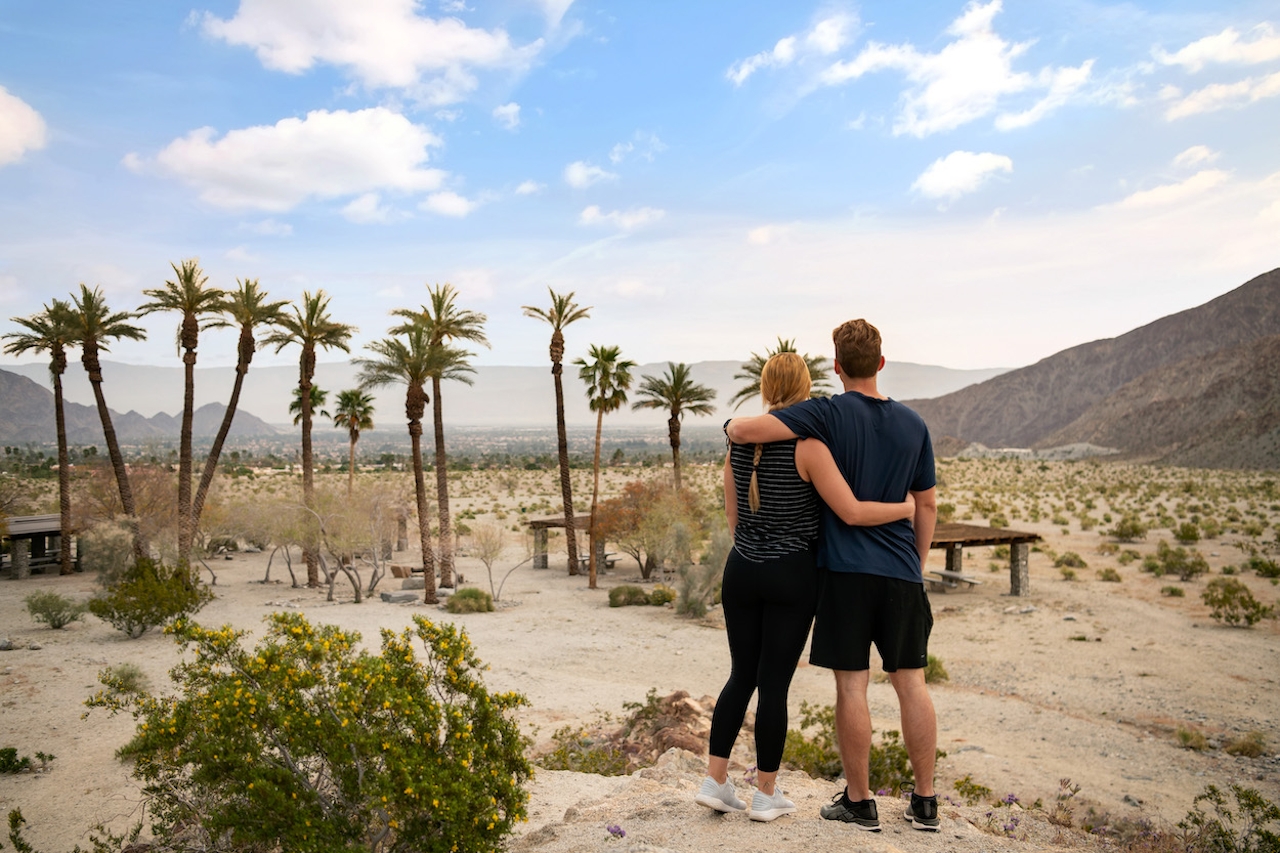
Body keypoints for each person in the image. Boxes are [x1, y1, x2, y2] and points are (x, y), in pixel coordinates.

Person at [726, 320, 940, 833]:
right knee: (912, 683)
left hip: (844, 573)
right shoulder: (915, 424)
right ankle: (926, 802)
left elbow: (746, 429)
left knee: (853, 687)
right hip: (901, 573)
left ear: (837, 366)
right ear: (882, 363)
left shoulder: (823, 412)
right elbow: (927, 503)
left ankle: (861, 801)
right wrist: (919, 562)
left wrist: (734, 430)